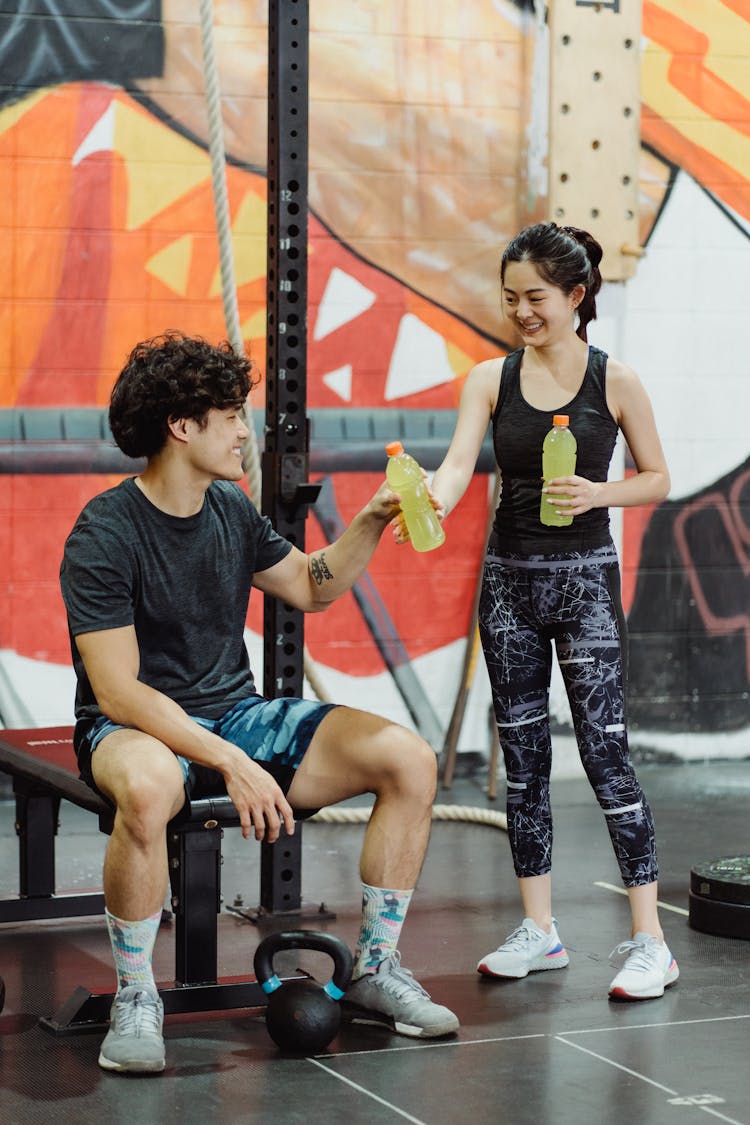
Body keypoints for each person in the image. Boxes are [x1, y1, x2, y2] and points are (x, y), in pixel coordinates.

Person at [59, 332, 459, 1074]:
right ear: (183, 425)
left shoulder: (230, 511)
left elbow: (311, 583)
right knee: (149, 786)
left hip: (233, 714)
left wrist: (369, 519)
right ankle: (137, 994)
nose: (247, 431)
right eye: (233, 416)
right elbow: (118, 690)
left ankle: (374, 968)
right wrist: (228, 759)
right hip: (128, 728)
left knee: (407, 758)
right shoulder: (105, 531)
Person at [426, 221, 679, 1002]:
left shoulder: (616, 380)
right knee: (523, 765)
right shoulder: (488, 379)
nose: (521, 311)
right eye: (510, 298)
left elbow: (658, 477)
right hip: (509, 588)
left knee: (606, 757)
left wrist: (602, 492)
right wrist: (419, 500)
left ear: (575, 295)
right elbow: (457, 466)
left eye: (534, 296)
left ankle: (651, 940)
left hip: (585, 584)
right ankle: (540, 930)